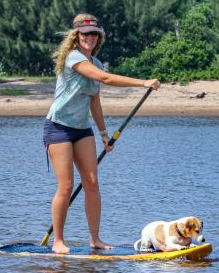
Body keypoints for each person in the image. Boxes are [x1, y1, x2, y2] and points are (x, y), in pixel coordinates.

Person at [45, 13, 160, 254]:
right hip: (59, 128)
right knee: (66, 186)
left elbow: (94, 102)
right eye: (86, 34)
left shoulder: (95, 63)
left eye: (95, 34)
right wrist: (142, 82)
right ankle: (58, 241)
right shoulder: (73, 58)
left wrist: (104, 134)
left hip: (82, 129)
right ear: (77, 36)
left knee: (93, 183)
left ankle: (95, 239)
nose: (91, 38)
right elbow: (105, 78)